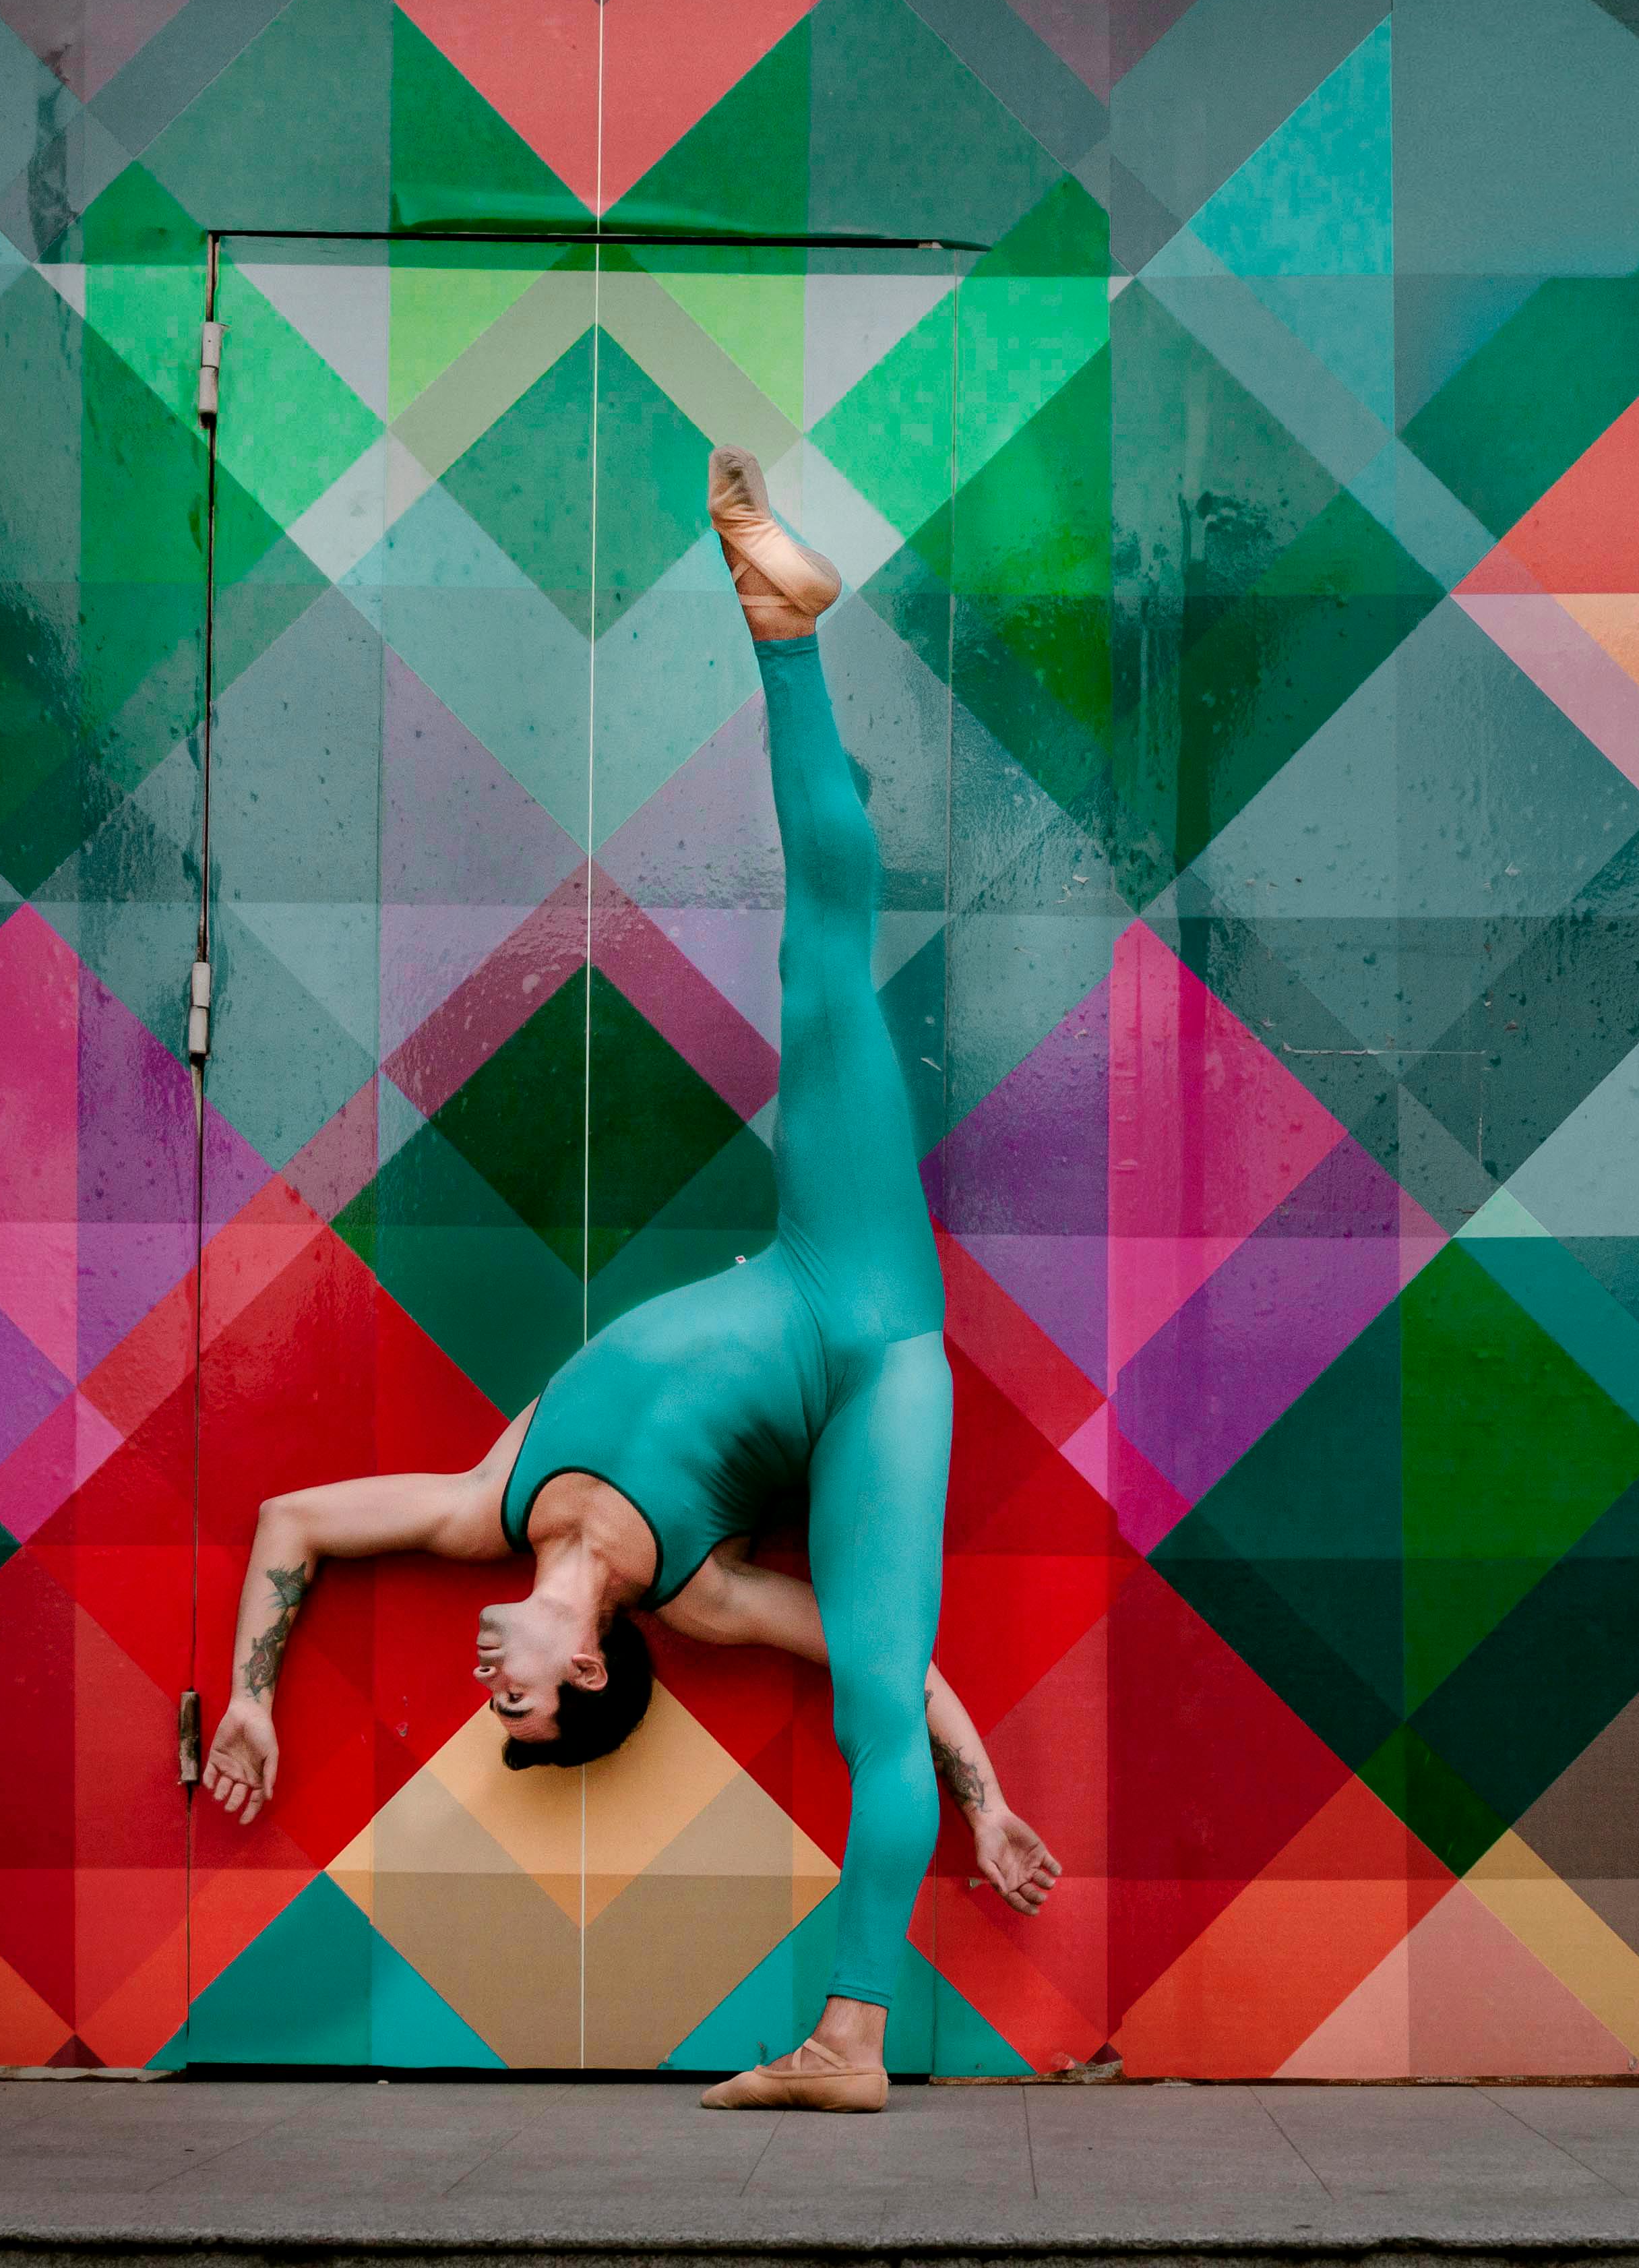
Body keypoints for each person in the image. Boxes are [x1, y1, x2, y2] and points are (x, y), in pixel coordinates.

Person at [202, 448, 1058, 2114]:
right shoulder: (700, 1598)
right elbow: (901, 1668)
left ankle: (779, 622)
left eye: (491, 1705)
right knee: (883, 1704)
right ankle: (850, 2047)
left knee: (822, 965)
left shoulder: (487, 1502)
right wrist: (989, 1799)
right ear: (583, 1676)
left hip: (815, 1253)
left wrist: (250, 1701)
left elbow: (289, 1523)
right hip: (878, 1339)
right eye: (519, 1712)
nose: (491, 1693)